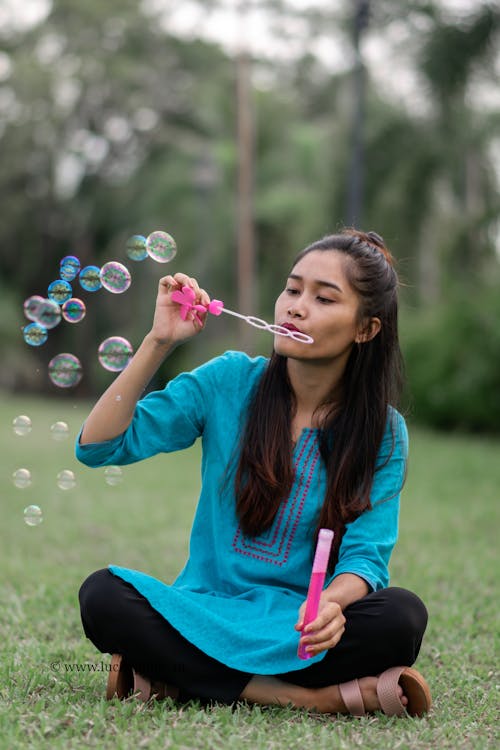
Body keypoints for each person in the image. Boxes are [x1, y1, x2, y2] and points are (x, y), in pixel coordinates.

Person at [77, 228, 432, 717]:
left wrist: (331, 603)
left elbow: (366, 558)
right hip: (206, 609)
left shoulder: (383, 433)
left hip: (297, 625)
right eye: (292, 289)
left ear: (366, 329)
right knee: (102, 595)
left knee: (401, 616)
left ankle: (178, 677)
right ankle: (310, 697)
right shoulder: (228, 382)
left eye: (323, 298)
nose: (295, 306)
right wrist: (159, 342)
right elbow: (98, 448)